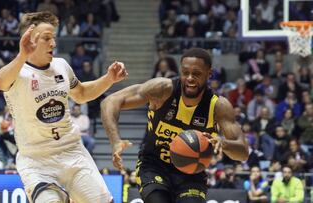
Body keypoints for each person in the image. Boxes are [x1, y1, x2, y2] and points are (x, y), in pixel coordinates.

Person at [0, 11, 127, 203]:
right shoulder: (17, 71)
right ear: (30, 40)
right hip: (36, 160)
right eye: (47, 38)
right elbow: (0, 82)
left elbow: (81, 94)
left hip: (71, 151)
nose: (53, 44)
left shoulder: (61, 65)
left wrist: (109, 79)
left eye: (53, 38)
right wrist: (22, 55)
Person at [101, 48, 248, 203]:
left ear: (209, 74)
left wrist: (223, 143)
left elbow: (243, 152)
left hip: (192, 172)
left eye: (196, 73)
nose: (190, 78)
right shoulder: (163, 90)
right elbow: (110, 101)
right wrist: (115, 140)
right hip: (154, 165)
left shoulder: (218, 106)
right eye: (185, 72)